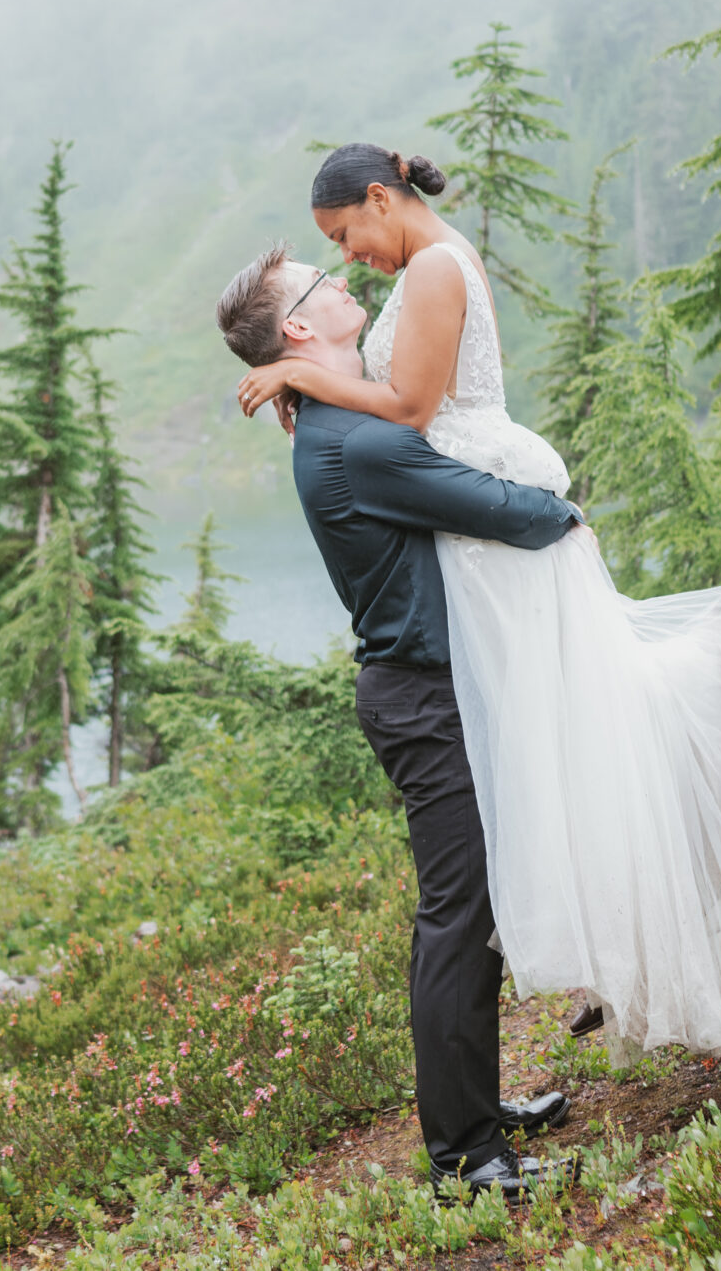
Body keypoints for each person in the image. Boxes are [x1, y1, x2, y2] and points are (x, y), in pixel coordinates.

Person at [233, 142, 721, 1063]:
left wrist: (304, 376)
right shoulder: (429, 267)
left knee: (586, 726)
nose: (349, 254)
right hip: (478, 536)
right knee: (567, 740)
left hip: (494, 534)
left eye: (346, 233)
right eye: (334, 249)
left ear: (381, 198)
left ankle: (649, 885)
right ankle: (606, 940)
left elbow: (409, 409)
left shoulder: (432, 269)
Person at [214, 242, 581, 1200]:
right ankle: (465, 1154)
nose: (345, 281)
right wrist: (565, 512)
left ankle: (477, 1108)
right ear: (300, 324)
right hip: (424, 699)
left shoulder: (341, 417)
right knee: (458, 917)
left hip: (430, 689)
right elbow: (510, 512)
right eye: (322, 280)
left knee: (470, 909)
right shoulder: (354, 439)